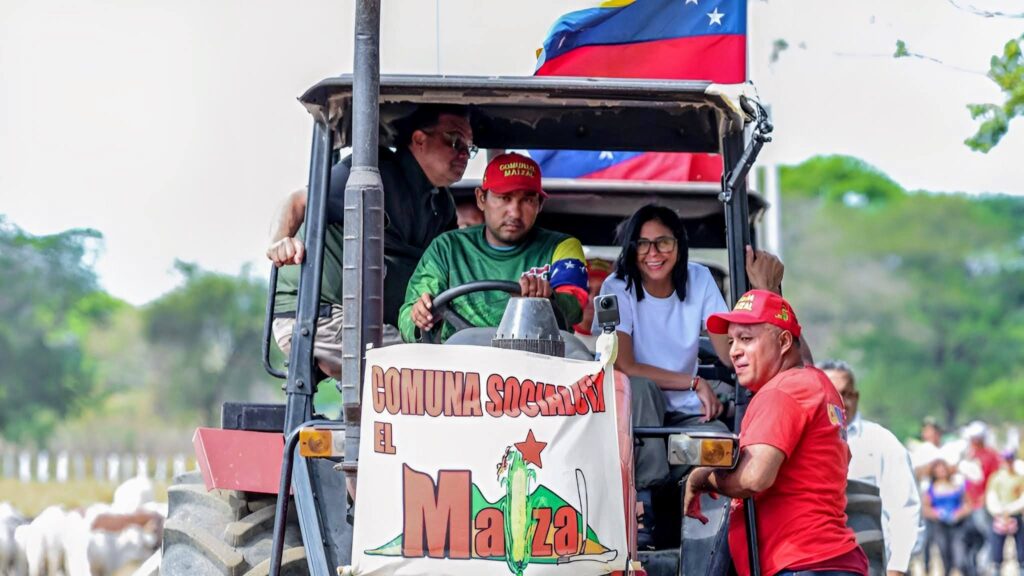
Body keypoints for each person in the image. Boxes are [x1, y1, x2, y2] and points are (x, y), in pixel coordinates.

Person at [594, 204, 785, 548]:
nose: (653, 253)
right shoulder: (615, 287)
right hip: (632, 420)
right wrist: (694, 382)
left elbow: (729, 353)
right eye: (642, 244)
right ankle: (642, 508)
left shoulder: (699, 280)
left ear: (679, 245)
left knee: (725, 450)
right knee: (640, 387)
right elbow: (626, 366)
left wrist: (763, 294)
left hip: (684, 419)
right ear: (631, 249)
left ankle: (715, 543)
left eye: (663, 243)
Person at [266, 105, 473, 378]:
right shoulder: (373, 172)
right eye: (455, 141)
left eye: (470, 148)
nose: (464, 154)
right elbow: (297, 202)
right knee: (429, 373)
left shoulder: (442, 204)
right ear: (419, 139)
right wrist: (280, 242)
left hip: (372, 323)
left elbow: (450, 270)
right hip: (319, 316)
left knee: (459, 357)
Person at [684, 290, 867, 576]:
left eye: (746, 339)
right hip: (831, 561)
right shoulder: (818, 384)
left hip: (799, 564)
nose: (734, 351)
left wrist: (701, 478)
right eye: (731, 341)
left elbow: (754, 478)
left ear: (783, 342)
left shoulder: (781, 392)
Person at [399, 153, 588, 342]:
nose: (515, 213)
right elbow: (409, 317)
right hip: (459, 359)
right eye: (504, 198)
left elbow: (575, 307)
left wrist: (547, 299)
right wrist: (420, 316)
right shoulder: (447, 248)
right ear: (481, 198)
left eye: (528, 200)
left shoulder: (562, 247)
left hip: (536, 357)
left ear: (539, 204)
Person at [819, 360, 922, 576]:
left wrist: (897, 567)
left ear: (855, 397)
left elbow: (904, 509)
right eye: (832, 393)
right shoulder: (804, 443)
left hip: (870, 564)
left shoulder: (880, 442)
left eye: (845, 394)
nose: (840, 401)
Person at [922, 458, 973, 576]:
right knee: (945, 557)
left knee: (960, 557)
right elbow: (925, 509)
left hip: (958, 526)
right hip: (940, 527)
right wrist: (937, 513)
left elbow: (968, 504)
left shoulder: (957, 486)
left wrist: (959, 513)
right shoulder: (931, 489)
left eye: (943, 469)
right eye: (938, 470)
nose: (942, 471)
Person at [985, 449, 1024, 573]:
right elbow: (991, 497)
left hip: (1015, 516)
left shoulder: (1019, 478)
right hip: (1000, 517)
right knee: (996, 551)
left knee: (1021, 550)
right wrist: (999, 510)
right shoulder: (995, 478)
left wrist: (1011, 508)